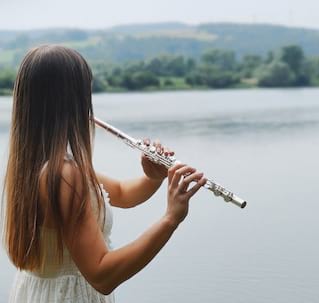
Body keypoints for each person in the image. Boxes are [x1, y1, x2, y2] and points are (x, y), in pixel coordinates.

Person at [3, 45, 207, 302]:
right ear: (71, 102)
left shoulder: (38, 164)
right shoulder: (64, 176)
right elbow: (102, 275)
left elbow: (120, 193)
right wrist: (171, 219)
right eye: (85, 93)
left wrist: (154, 177)